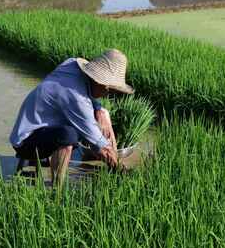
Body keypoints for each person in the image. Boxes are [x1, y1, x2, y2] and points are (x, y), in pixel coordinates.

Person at [9, 49, 134, 189]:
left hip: (32, 127)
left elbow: (88, 99)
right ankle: (57, 189)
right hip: (26, 141)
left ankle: (46, 163)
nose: (107, 95)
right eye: (109, 91)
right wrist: (121, 169)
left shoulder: (72, 65)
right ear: (102, 84)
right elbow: (101, 146)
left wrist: (99, 110)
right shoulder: (77, 99)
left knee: (100, 115)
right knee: (69, 135)